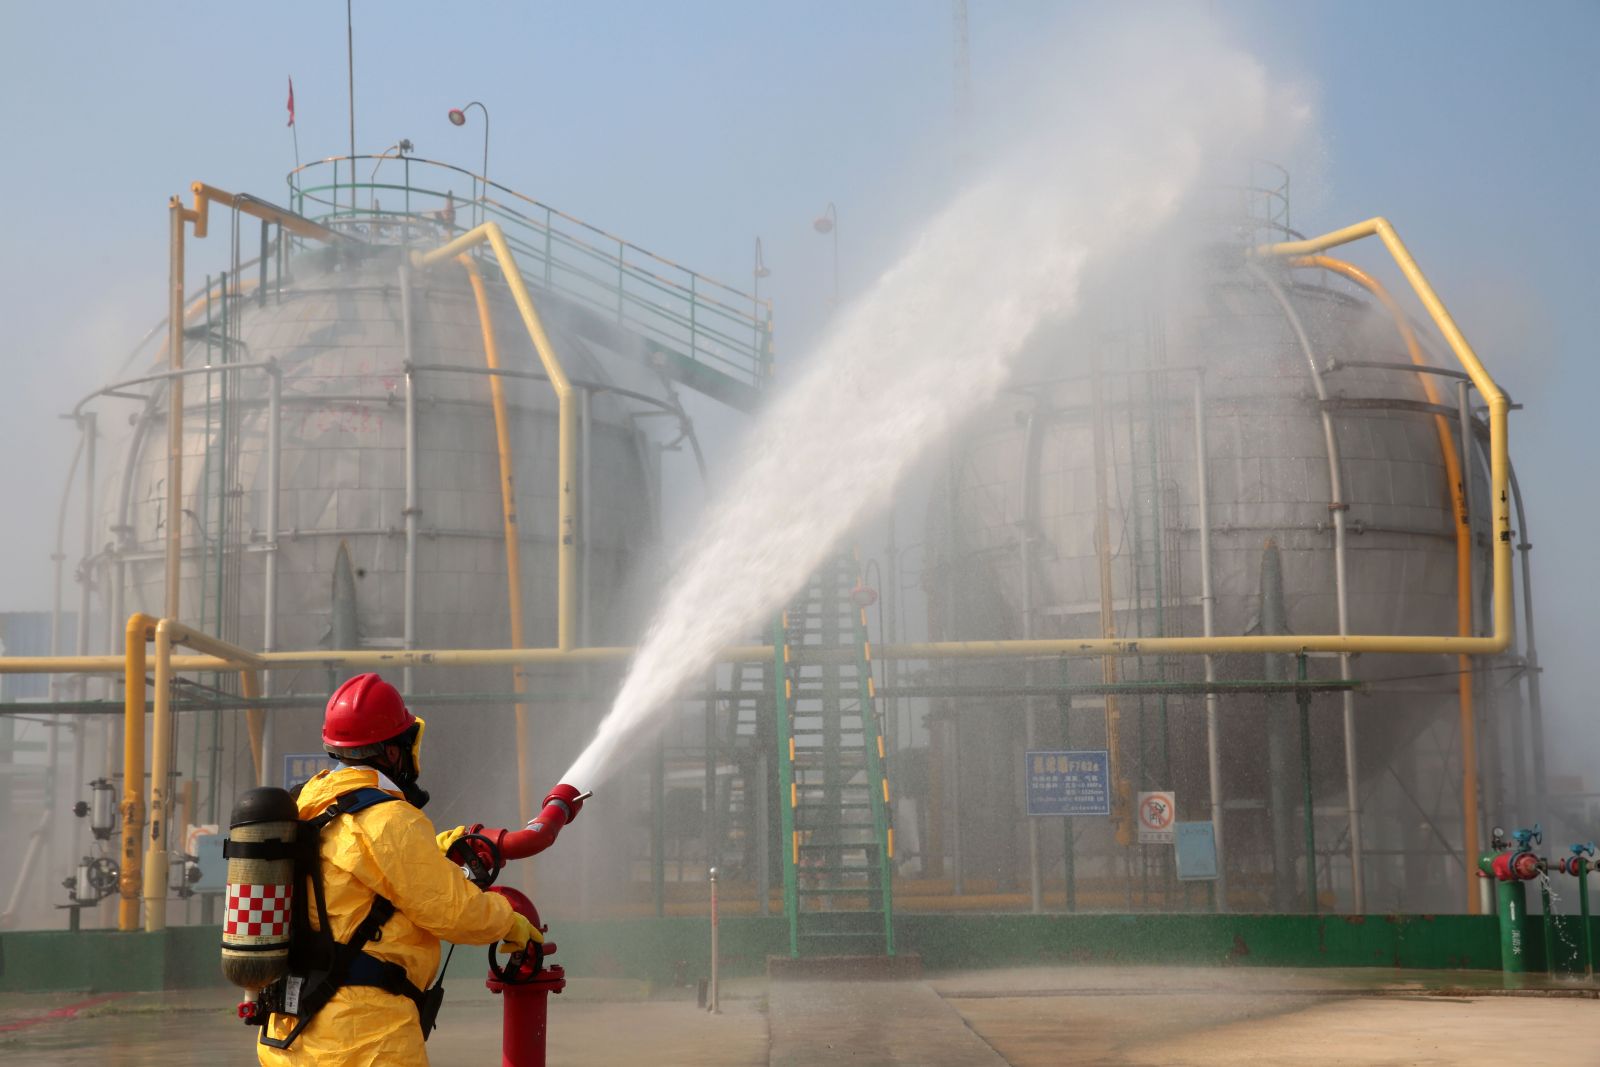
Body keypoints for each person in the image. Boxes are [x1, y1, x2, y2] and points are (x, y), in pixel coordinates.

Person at [256, 673, 538, 1066]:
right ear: (393, 752)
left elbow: (354, 872)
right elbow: (455, 913)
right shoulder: (390, 819)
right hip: (364, 1040)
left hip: (289, 1034)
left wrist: (432, 852)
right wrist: (509, 921)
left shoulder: (308, 803)